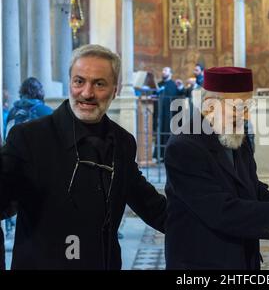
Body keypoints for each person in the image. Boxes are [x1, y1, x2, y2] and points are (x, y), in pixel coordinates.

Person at [0, 44, 167, 269]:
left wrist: (212, 225)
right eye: (79, 81)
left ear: (115, 90)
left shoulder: (122, 142)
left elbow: (150, 205)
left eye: (99, 84)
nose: (87, 93)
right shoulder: (28, 138)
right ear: (70, 83)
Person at [164, 67, 269, 270]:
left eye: (248, 107)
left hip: (242, 259)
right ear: (209, 106)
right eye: (238, 108)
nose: (246, 117)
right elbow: (221, 210)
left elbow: (253, 188)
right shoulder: (183, 147)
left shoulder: (236, 136)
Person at [153, 67, 181, 161]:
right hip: (159, 113)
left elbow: (179, 98)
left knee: (168, 134)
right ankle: (158, 155)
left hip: (170, 115)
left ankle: (167, 155)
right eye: (163, 70)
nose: (163, 72)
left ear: (171, 73)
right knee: (159, 132)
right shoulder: (159, 84)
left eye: (165, 71)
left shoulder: (174, 85)